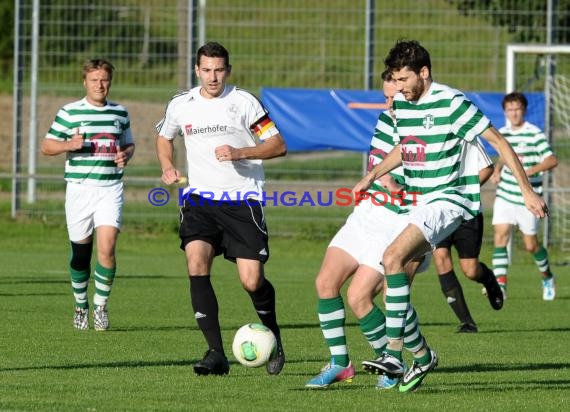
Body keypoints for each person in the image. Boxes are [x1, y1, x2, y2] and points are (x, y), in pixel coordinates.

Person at [355, 40, 547, 393]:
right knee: (390, 278)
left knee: (392, 258)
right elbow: (405, 146)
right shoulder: (405, 104)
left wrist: (526, 190)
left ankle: (394, 356)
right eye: (394, 81)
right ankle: (422, 356)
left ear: (424, 73)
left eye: (402, 79)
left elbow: (499, 142)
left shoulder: (452, 102)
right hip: (417, 202)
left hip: (449, 200)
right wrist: (372, 174)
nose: (397, 88)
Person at [155, 42, 287, 376]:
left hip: (242, 202)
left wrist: (240, 152)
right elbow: (163, 137)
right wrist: (167, 165)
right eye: (207, 70)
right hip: (200, 201)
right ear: (197, 70)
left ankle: (274, 335)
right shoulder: (181, 105)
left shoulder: (243, 103)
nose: (213, 77)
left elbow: (277, 144)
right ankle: (215, 353)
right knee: (196, 262)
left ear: (227, 70)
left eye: (219, 70)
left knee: (251, 280)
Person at [305, 71, 432, 391]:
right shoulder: (384, 120)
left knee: (359, 297)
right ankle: (340, 364)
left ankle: (393, 365)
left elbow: (428, 175)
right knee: (325, 282)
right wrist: (376, 179)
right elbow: (378, 164)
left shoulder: (424, 125)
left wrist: (399, 184)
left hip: (394, 223)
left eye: (395, 97)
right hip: (365, 215)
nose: (390, 103)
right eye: (386, 97)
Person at [41, 58, 135, 331]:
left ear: (110, 82)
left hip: (110, 189)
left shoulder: (120, 112)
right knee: (81, 254)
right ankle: (80, 305)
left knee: (107, 249)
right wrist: (69, 144)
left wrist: (124, 156)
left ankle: (101, 308)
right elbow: (47, 146)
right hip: (80, 190)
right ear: (85, 82)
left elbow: (129, 144)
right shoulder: (70, 112)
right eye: (94, 80)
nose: (100, 85)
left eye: (104, 79)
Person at [490, 92, 558, 300]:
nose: (514, 113)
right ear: (505, 112)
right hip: (505, 195)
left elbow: (552, 160)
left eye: (517, 108)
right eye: (510, 109)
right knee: (500, 236)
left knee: (531, 245)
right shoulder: (503, 133)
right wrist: (497, 169)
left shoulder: (534, 134)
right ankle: (500, 286)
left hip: (528, 198)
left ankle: (547, 276)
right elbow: (504, 156)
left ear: (524, 110)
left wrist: (528, 171)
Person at [432, 144, 504, 334]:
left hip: (467, 212)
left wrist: (461, 193)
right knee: (440, 259)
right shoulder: (430, 137)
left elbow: (487, 168)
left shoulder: (468, 136)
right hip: (439, 212)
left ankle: (488, 279)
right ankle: (467, 322)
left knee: (470, 271)